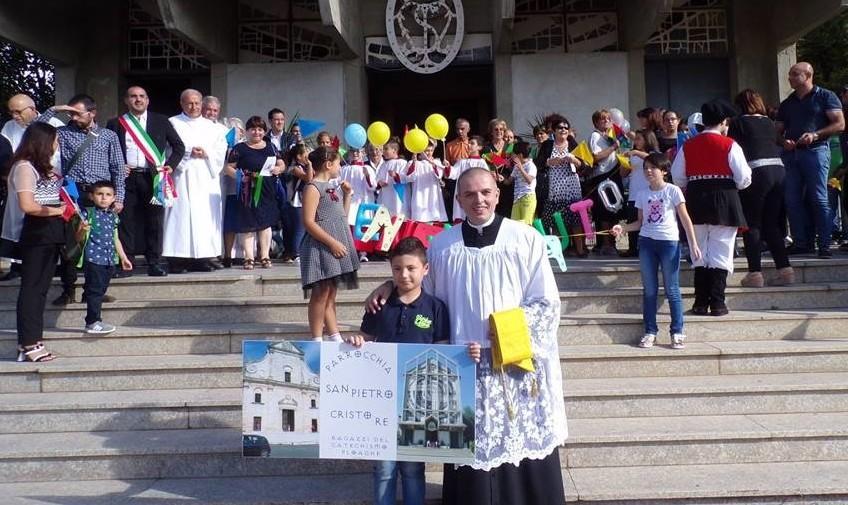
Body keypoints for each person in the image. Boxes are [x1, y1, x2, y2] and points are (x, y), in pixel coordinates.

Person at [366, 166, 567, 505]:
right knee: (471, 453)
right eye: (470, 194)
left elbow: (547, 302)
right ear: (458, 199)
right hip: (464, 366)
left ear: (497, 194)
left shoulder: (525, 238)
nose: (479, 200)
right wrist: (390, 285)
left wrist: (505, 328)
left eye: (486, 192)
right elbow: (422, 296)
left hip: (514, 365)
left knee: (522, 445)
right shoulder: (442, 246)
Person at [346, 237, 451, 505]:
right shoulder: (379, 306)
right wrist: (357, 341)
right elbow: (365, 338)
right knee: (384, 468)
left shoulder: (436, 309)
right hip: (382, 399)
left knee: (413, 468)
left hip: (419, 402)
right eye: (397, 269)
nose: (404, 275)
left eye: (411, 268)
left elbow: (443, 352)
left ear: (425, 269)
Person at [38, 94, 124, 306]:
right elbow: (36, 130)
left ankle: (93, 290)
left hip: (100, 197)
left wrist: (119, 197)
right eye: (71, 113)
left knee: (100, 242)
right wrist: (56, 109)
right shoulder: (63, 134)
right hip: (73, 195)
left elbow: (118, 169)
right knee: (72, 242)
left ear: (92, 113)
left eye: (78, 113)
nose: (73, 117)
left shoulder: (108, 136)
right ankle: (68, 289)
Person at [672, 99, 752, 317]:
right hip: (725, 199)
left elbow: (678, 177)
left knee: (699, 250)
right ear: (723, 122)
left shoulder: (688, 145)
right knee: (722, 250)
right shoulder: (730, 145)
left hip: (696, 199)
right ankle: (718, 303)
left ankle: (700, 302)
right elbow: (744, 179)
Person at [612, 153, 700, 348]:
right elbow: (640, 222)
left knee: (672, 289)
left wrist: (693, 243)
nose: (648, 171)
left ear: (664, 171)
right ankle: (650, 331)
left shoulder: (674, 191)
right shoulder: (642, 194)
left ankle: (677, 331)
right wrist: (622, 228)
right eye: (646, 168)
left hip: (669, 243)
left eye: (653, 167)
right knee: (650, 290)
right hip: (646, 243)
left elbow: (685, 219)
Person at [106, 86, 185, 277]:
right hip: (127, 178)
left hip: (154, 178)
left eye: (142, 96)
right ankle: (127, 263)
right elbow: (106, 149)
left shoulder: (160, 120)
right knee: (126, 220)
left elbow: (179, 146)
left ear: (148, 100)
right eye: (133, 96)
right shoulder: (116, 123)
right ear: (126, 100)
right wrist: (116, 165)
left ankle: (155, 262)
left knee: (154, 221)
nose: (138, 100)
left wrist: (170, 166)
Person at [776, 62, 846, 257]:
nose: (789, 78)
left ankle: (824, 244)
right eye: (790, 74)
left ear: (807, 76)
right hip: (792, 155)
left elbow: (840, 124)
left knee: (818, 197)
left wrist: (815, 135)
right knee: (792, 199)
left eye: (794, 74)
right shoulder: (788, 102)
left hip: (816, 151)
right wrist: (783, 141)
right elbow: (777, 131)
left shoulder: (825, 96)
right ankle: (801, 242)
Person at [729, 89, 793, 287]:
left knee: (752, 224)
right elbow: (779, 142)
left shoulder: (738, 123)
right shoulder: (768, 122)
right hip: (778, 170)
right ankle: (785, 270)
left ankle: (755, 273)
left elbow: (732, 149)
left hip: (756, 171)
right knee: (771, 223)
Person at [12, 122, 65, 362]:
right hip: (36, 233)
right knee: (32, 289)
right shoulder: (24, 167)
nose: (56, 145)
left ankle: (34, 338)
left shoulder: (41, 168)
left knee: (41, 289)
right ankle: (28, 343)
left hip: (50, 233)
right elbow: (28, 205)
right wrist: (57, 211)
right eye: (54, 140)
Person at [299, 146, 359, 341]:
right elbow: (308, 222)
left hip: (337, 241)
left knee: (331, 292)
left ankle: (334, 335)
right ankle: (316, 337)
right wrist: (332, 243)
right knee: (321, 292)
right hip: (321, 245)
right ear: (328, 164)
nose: (340, 166)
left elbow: (341, 215)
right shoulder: (313, 187)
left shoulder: (333, 187)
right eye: (338, 163)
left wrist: (348, 195)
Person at [165, 89, 228, 272]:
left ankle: (202, 257)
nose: (193, 107)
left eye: (197, 103)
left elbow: (220, 151)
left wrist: (207, 154)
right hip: (181, 176)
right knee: (180, 216)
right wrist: (186, 153)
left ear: (202, 104)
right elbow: (166, 148)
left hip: (205, 177)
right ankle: (177, 259)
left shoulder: (215, 128)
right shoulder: (173, 123)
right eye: (189, 103)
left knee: (204, 217)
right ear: (182, 104)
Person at [224, 116, 284, 270]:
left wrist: (279, 169)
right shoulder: (239, 148)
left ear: (264, 131)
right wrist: (240, 176)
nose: (256, 132)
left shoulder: (271, 147)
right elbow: (229, 167)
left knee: (265, 224)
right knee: (247, 224)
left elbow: (281, 163)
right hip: (246, 191)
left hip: (267, 190)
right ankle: (248, 257)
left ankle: (264, 255)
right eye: (253, 129)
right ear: (248, 131)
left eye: (260, 129)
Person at [75, 181, 133, 334]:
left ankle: (89, 300)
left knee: (100, 288)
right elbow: (79, 238)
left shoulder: (113, 216)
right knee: (96, 290)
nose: (103, 198)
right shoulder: (88, 213)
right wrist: (82, 230)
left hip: (109, 259)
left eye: (108, 195)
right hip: (93, 258)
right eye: (99, 194)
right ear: (91, 196)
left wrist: (123, 257)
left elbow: (115, 238)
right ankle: (92, 321)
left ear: (114, 198)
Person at [535, 115, 587, 256]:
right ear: (554, 130)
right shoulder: (547, 145)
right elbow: (538, 164)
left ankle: (580, 250)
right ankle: (560, 250)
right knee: (556, 219)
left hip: (572, 186)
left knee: (575, 220)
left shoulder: (573, 143)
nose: (563, 130)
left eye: (566, 127)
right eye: (560, 127)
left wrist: (574, 159)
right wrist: (549, 162)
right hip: (555, 187)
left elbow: (584, 165)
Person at [587, 109, 623, 255]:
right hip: (602, 176)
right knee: (603, 210)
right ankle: (605, 244)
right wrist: (613, 147)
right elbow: (596, 157)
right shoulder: (595, 136)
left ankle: (612, 242)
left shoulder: (611, 136)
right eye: (603, 119)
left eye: (608, 118)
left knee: (614, 210)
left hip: (614, 174)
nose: (607, 121)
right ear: (596, 122)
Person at [620, 129, 660, 257]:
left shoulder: (652, 153)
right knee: (633, 219)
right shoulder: (633, 155)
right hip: (634, 191)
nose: (636, 141)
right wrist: (624, 162)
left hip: (649, 192)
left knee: (648, 220)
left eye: (639, 138)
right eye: (635, 138)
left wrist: (637, 153)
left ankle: (650, 248)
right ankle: (632, 248)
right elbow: (624, 173)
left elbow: (654, 160)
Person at [401, 139, 447, 223]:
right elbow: (409, 178)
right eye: (426, 151)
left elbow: (439, 175)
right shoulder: (414, 163)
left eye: (431, 150)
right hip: (419, 195)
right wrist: (414, 163)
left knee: (434, 218)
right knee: (420, 219)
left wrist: (432, 163)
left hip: (433, 194)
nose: (429, 153)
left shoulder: (436, 162)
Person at [444, 135, 488, 222]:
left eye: (472, 144)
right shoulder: (462, 162)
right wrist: (448, 167)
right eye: (468, 143)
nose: (468, 145)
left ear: (479, 147)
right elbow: (453, 174)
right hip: (463, 194)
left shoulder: (482, 163)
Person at [500, 140, 536, 225]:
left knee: (527, 225)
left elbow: (529, 180)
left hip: (528, 197)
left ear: (520, 155)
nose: (512, 156)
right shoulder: (516, 167)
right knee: (515, 225)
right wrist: (501, 179)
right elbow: (508, 181)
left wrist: (521, 169)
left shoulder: (531, 165)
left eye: (513, 154)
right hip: (517, 198)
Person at [483, 118, 512, 217]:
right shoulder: (486, 147)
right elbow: (492, 165)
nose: (499, 132)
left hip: (508, 183)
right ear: (491, 131)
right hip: (493, 183)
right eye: (496, 129)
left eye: (501, 129)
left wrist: (498, 160)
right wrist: (504, 161)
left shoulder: (509, 146)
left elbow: (510, 165)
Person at [376, 138, 408, 217]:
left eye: (386, 149)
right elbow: (377, 178)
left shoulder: (402, 162)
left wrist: (396, 176)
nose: (383, 152)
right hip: (385, 196)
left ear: (394, 150)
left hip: (398, 195)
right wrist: (379, 182)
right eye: (383, 149)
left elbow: (406, 178)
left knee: (398, 215)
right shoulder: (383, 165)